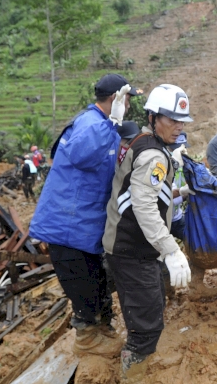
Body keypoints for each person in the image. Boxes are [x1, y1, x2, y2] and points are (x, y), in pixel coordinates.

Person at [29, 73, 138, 358]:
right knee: (84, 287)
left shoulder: (103, 127)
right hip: (69, 225)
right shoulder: (92, 124)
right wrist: (112, 123)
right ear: (116, 99)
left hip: (84, 226)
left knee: (96, 282)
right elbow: (80, 154)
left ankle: (101, 331)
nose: (128, 105)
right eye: (126, 99)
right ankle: (87, 340)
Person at [103, 84, 193, 383]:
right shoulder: (154, 156)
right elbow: (143, 205)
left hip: (130, 245)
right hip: (133, 250)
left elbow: (150, 195)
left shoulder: (140, 140)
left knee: (150, 306)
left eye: (181, 121)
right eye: (172, 120)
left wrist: (179, 192)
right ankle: (133, 377)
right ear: (154, 117)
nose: (178, 127)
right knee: (147, 327)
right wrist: (171, 249)